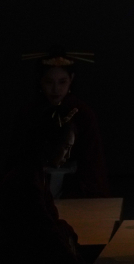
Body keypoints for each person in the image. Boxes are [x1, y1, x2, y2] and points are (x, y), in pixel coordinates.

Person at [14, 46, 109, 198]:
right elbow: (20, 158)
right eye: (49, 82)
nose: (55, 89)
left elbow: (92, 160)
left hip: (74, 187)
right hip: (37, 185)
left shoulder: (83, 114)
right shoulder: (29, 114)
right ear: (40, 81)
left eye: (62, 82)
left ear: (71, 79)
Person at [0, 105, 84, 263]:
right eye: (66, 147)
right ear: (49, 143)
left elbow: (50, 221)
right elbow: (44, 230)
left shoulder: (34, 172)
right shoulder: (26, 179)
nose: (68, 155)